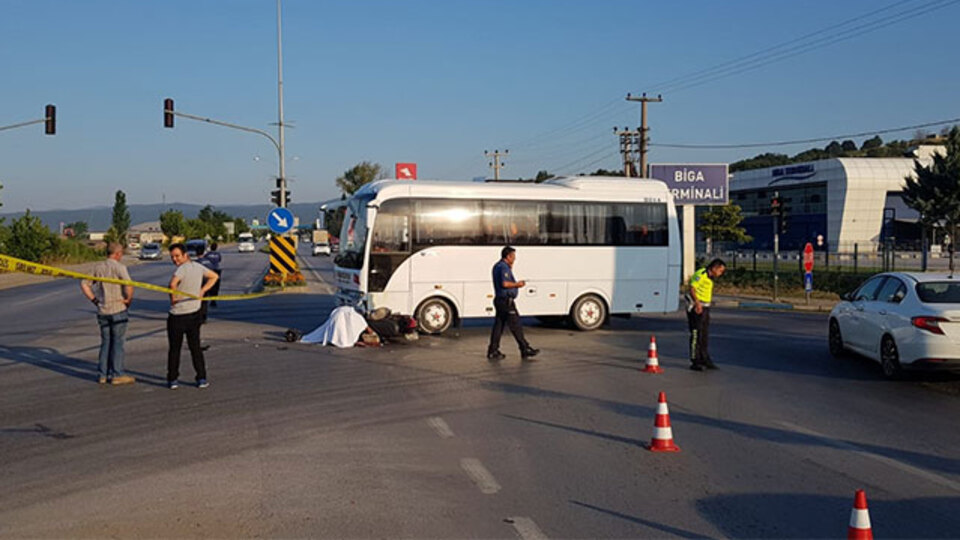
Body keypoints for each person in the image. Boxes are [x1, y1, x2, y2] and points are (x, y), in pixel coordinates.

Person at [80, 242, 135, 385]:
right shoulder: (120, 267)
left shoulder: (97, 267)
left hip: (103, 309)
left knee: (105, 342)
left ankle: (102, 374)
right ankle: (117, 374)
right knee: (117, 342)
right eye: (121, 253)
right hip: (118, 308)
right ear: (117, 254)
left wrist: (94, 300)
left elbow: (84, 284)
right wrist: (128, 300)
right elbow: (129, 285)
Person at [166, 242, 218, 389]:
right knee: (195, 347)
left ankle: (172, 379)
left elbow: (172, 284)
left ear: (185, 255)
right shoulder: (198, 267)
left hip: (178, 315)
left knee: (174, 349)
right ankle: (201, 378)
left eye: (177, 256)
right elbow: (214, 276)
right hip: (194, 314)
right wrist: (202, 290)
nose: (175, 260)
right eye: (172, 257)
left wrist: (173, 298)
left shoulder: (181, 269)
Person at [487, 246, 539, 362]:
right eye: (513, 257)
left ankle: (493, 350)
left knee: (498, 326)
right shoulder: (503, 267)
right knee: (516, 325)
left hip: (500, 300)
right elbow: (505, 284)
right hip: (506, 301)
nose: (514, 259)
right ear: (508, 256)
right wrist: (517, 284)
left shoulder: (498, 266)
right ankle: (524, 348)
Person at [686, 258, 726, 371]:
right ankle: (695, 361)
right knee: (696, 334)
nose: (721, 274)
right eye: (720, 271)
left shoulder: (710, 278)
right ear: (714, 268)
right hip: (696, 306)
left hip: (705, 306)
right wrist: (697, 303)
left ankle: (705, 359)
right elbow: (692, 288)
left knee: (704, 334)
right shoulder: (701, 274)